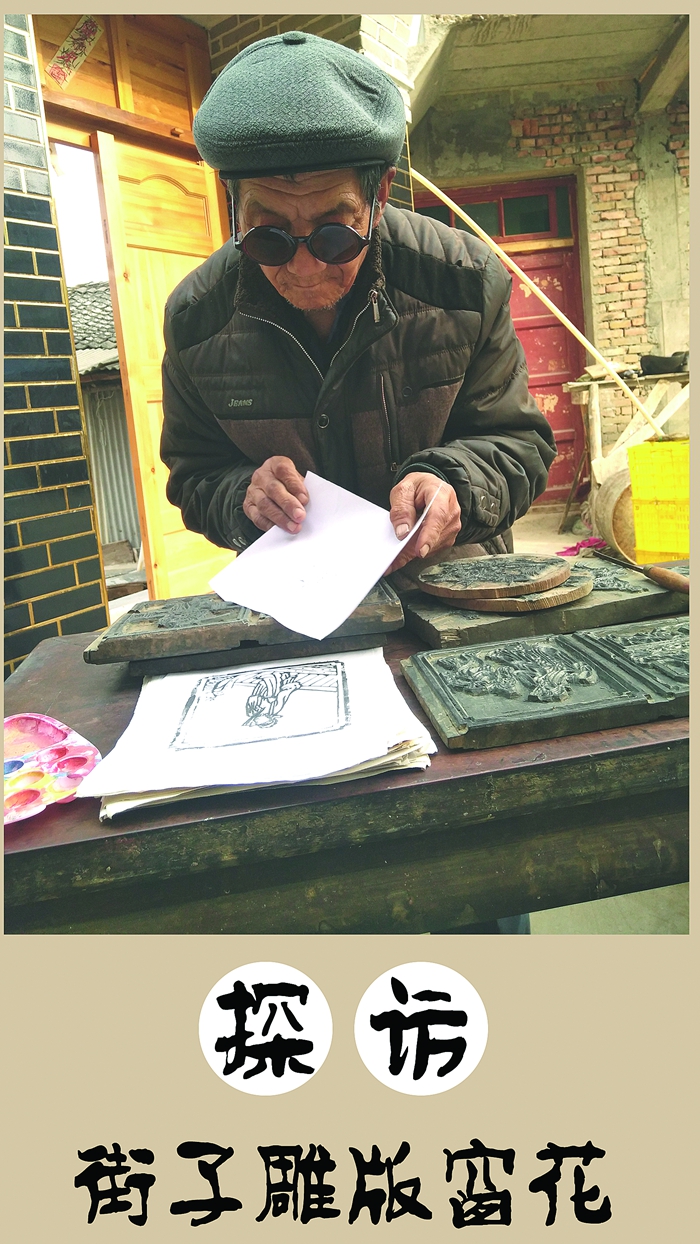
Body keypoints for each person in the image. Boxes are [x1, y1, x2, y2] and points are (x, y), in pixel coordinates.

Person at [160, 30, 557, 575]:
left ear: (381, 194)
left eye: (334, 236)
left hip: (451, 588)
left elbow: (519, 443)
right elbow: (194, 471)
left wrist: (455, 484)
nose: (305, 269)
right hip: (301, 597)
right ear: (233, 207)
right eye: (268, 238)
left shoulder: (463, 282)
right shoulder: (195, 319)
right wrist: (242, 497)